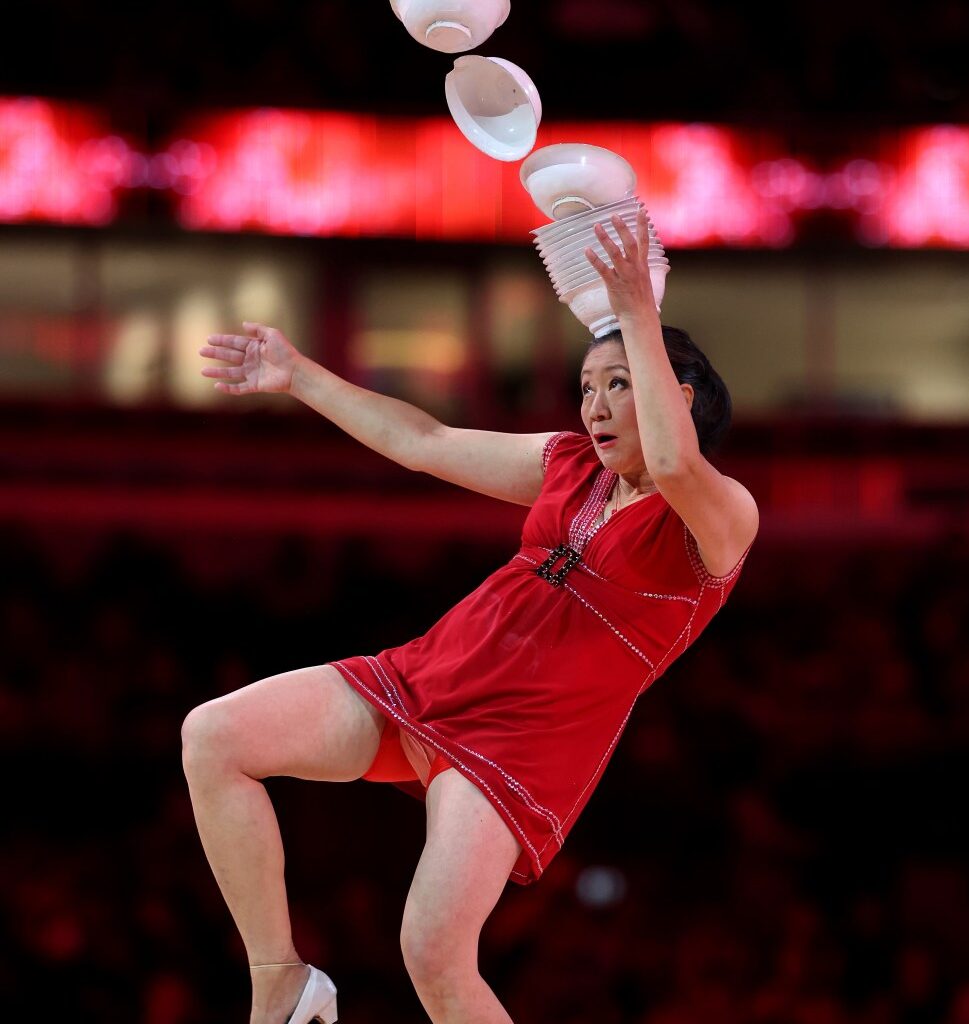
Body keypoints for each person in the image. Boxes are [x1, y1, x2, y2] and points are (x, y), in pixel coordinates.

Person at [182, 213, 759, 1024]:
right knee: (214, 737)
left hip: (519, 742)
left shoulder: (721, 518)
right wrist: (300, 375)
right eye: (587, 387)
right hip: (428, 676)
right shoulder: (567, 467)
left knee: (434, 953)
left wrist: (635, 313)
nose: (594, 404)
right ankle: (281, 978)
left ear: (678, 393)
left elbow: (671, 460)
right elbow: (424, 439)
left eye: (619, 384)